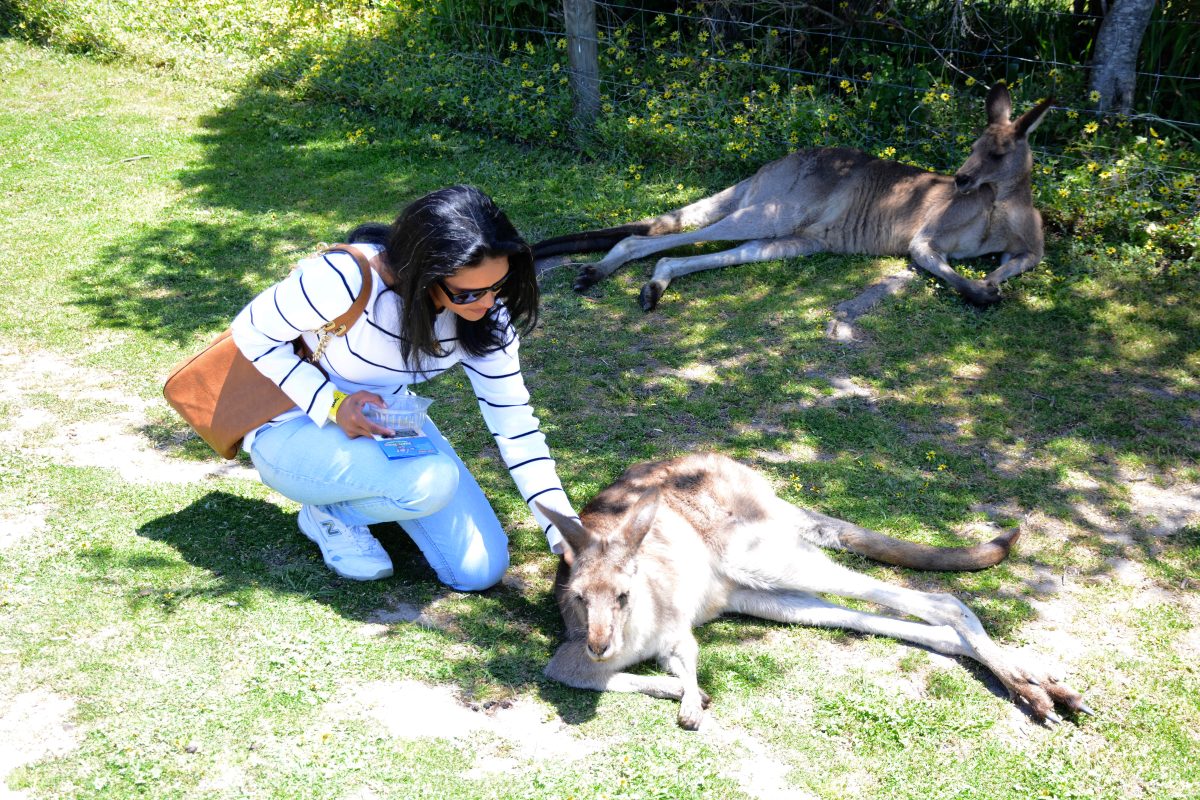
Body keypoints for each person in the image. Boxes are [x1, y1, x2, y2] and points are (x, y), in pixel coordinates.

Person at [230, 185, 580, 590]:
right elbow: (250, 333)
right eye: (467, 292)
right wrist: (331, 403)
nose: (486, 303)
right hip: (289, 421)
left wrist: (564, 531)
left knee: (479, 570)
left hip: (387, 418)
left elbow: (516, 426)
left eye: (497, 286)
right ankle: (329, 513)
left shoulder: (487, 319)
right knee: (431, 481)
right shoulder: (343, 280)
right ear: (423, 272)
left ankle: (374, 492)